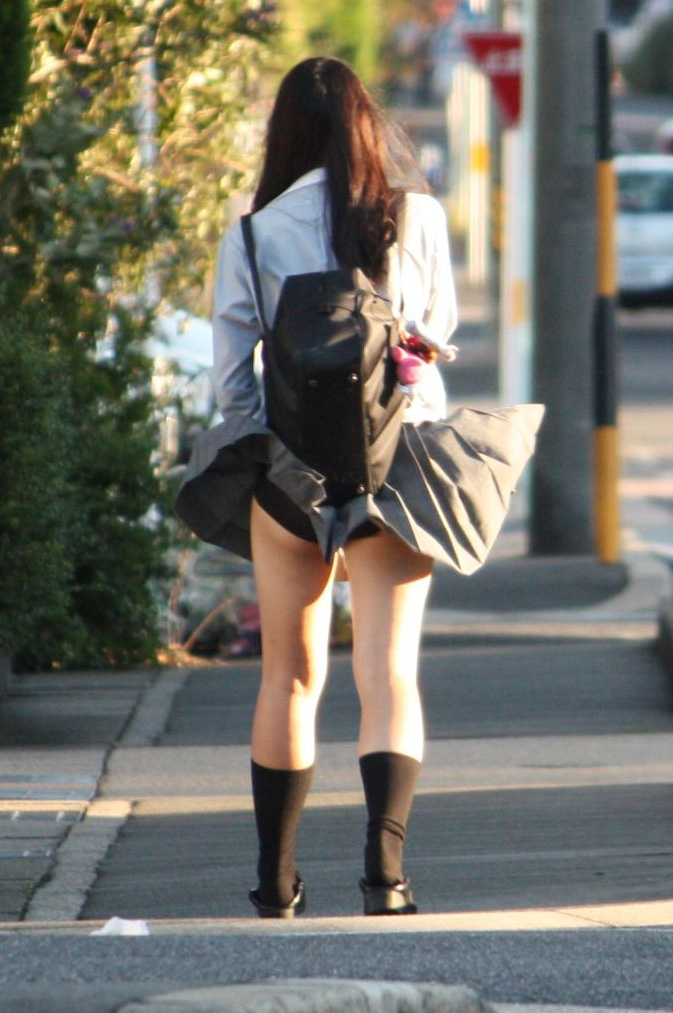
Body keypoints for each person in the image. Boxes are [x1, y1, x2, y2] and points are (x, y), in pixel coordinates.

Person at [176, 55, 541, 918]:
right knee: (388, 672)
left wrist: (270, 438)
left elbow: (230, 380)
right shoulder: (416, 217)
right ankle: (386, 875)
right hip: (398, 470)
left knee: (287, 677)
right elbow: (434, 333)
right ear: (365, 127)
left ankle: (275, 879)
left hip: (288, 475)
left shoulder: (252, 235)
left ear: (284, 135)